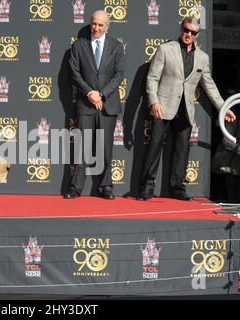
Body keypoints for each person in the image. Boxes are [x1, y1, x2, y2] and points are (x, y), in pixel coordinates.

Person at [137, 16, 236, 201]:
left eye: (193, 32)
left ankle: (177, 188)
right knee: (154, 147)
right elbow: (152, 78)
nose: (188, 34)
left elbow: (209, 85)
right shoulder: (165, 49)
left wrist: (224, 107)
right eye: (186, 30)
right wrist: (154, 101)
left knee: (182, 152)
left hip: (185, 111)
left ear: (198, 35)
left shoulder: (202, 58)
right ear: (181, 28)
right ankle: (146, 188)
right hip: (163, 107)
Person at [64, 10, 125, 199]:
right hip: (85, 103)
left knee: (106, 147)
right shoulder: (78, 46)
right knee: (81, 146)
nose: (96, 28)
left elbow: (119, 74)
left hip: (108, 105)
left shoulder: (116, 46)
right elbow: (74, 72)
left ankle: (106, 186)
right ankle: (76, 187)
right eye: (94, 24)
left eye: (100, 25)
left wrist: (102, 94)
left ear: (107, 27)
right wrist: (90, 93)